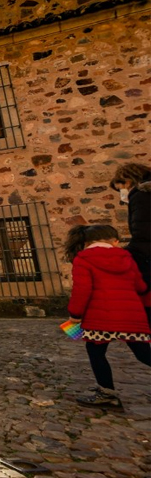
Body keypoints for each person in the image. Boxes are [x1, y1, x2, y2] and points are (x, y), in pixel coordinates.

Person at [63, 225, 150, 409]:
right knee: (143, 353)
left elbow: (82, 290)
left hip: (99, 318)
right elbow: (140, 286)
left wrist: (75, 315)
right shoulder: (127, 258)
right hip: (131, 316)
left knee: (96, 353)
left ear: (85, 242)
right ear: (115, 241)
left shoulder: (83, 259)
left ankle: (107, 393)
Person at [109, 162, 151, 323]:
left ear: (127, 181)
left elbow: (143, 231)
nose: (122, 194)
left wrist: (125, 253)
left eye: (120, 188)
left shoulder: (141, 196)